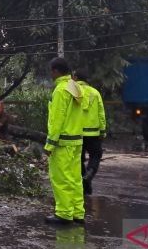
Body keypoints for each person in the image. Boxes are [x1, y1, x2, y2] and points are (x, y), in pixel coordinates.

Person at [45, 57, 87, 226]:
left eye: (51, 71)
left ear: (56, 71)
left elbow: (57, 119)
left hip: (62, 143)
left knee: (61, 179)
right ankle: (78, 212)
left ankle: (63, 214)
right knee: (75, 179)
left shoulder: (61, 90)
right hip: (76, 141)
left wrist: (50, 144)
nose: (50, 74)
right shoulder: (75, 87)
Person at [73, 68, 106, 196]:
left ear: (76, 78)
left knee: (79, 159)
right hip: (93, 134)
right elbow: (101, 114)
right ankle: (90, 173)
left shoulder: (73, 91)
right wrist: (102, 131)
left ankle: (84, 185)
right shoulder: (95, 93)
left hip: (77, 133)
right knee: (96, 155)